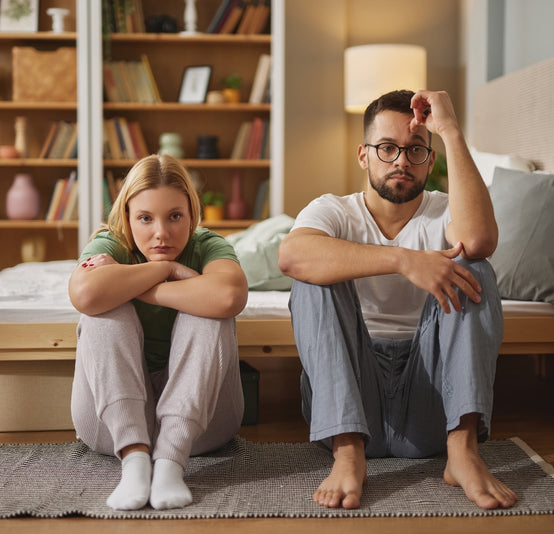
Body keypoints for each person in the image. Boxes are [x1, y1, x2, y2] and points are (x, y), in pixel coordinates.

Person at [278, 89, 518, 510]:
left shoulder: (447, 210)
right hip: (351, 396)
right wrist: (404, 261)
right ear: (363, 156)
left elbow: (479, 239)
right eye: (387, 148)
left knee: (474, 263)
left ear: (431, 158)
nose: (401, 162)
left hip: (433, 401)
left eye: (415, 151)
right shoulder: (334, 210)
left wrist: (450, 130)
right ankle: (348, 453)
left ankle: (462, 452)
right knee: (312, 276)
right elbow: (291, 257)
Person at [69, 154, 248, 511]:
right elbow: (86, 294)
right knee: (104, 310)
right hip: (109, 429)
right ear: (127, 218)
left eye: (175, 217)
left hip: (202, 427)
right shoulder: (111, 245)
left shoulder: (208, 245)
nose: (161, 233)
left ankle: (169, 463)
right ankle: (134, 461)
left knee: (209, 311)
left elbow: (228, 296)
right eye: (145, 219)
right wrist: (168, 269)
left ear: (192, 217)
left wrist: (142, 277)